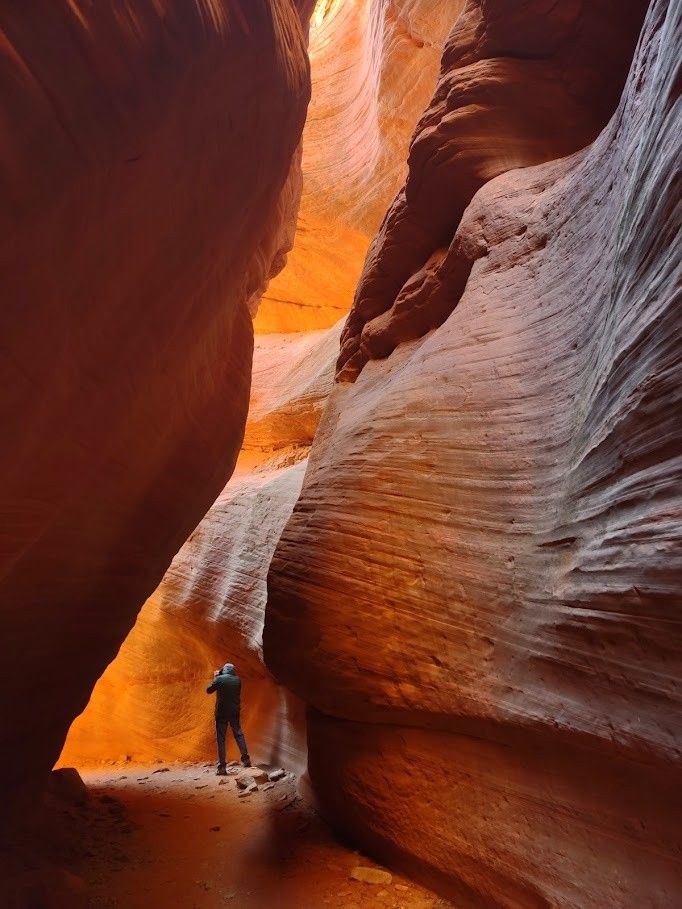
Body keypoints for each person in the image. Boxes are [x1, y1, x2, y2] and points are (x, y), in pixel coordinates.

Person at [206, 662, 251, 775]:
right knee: (239, 733)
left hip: (221, 713)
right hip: (234, 711)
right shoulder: (238, 680)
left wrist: (216, 676)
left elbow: (209, 690)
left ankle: (222, 767)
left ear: (224, 669)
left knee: (221, 738)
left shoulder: (219, 679)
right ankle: (246, 760)